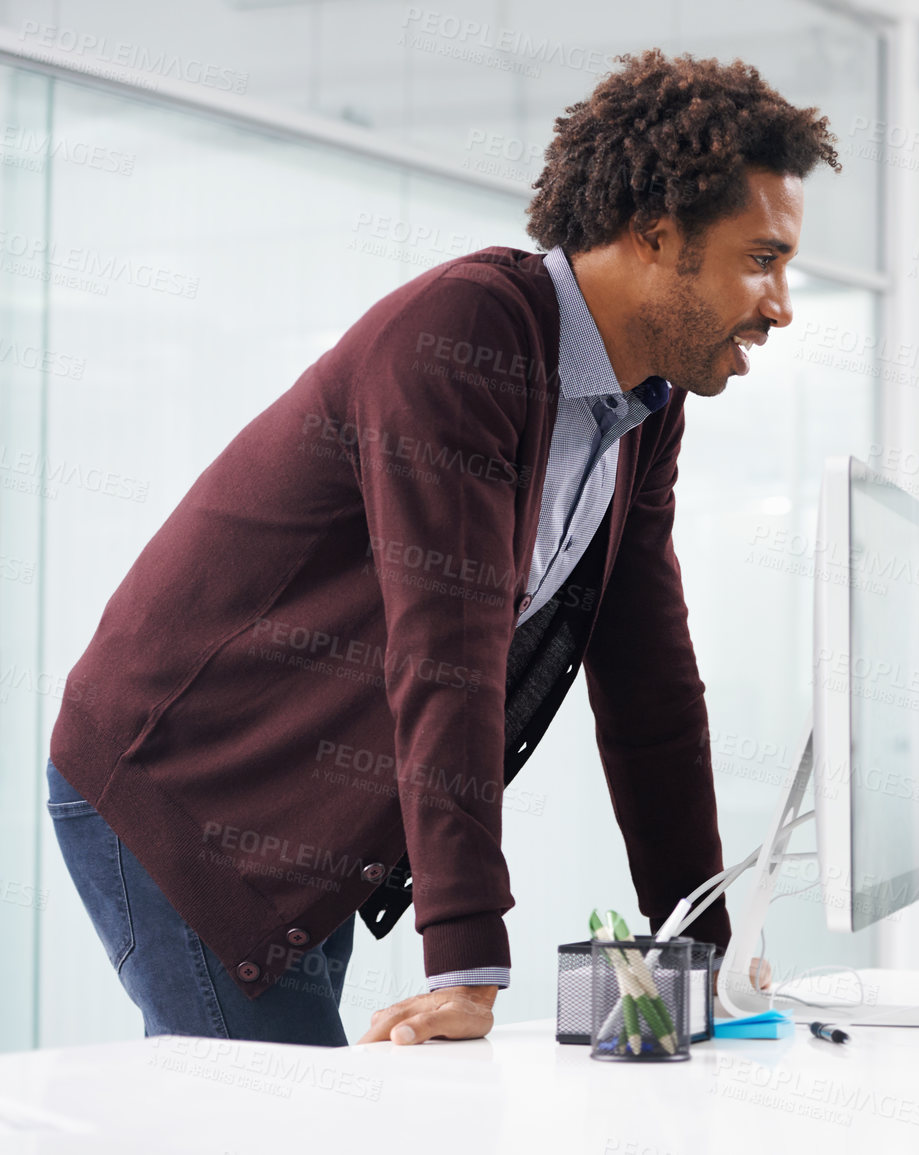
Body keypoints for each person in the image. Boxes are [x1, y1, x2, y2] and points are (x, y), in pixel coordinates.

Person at [45, 50, 836, 1048]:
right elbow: (446, 646)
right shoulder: (469, 336)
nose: (781, 305)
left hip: (316, 818)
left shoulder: (641, 413)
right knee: (268, 1118)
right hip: (182, 788)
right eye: (761, 260)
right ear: (654, 236)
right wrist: (467, 960)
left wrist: (705, 958)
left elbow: (651, 691)